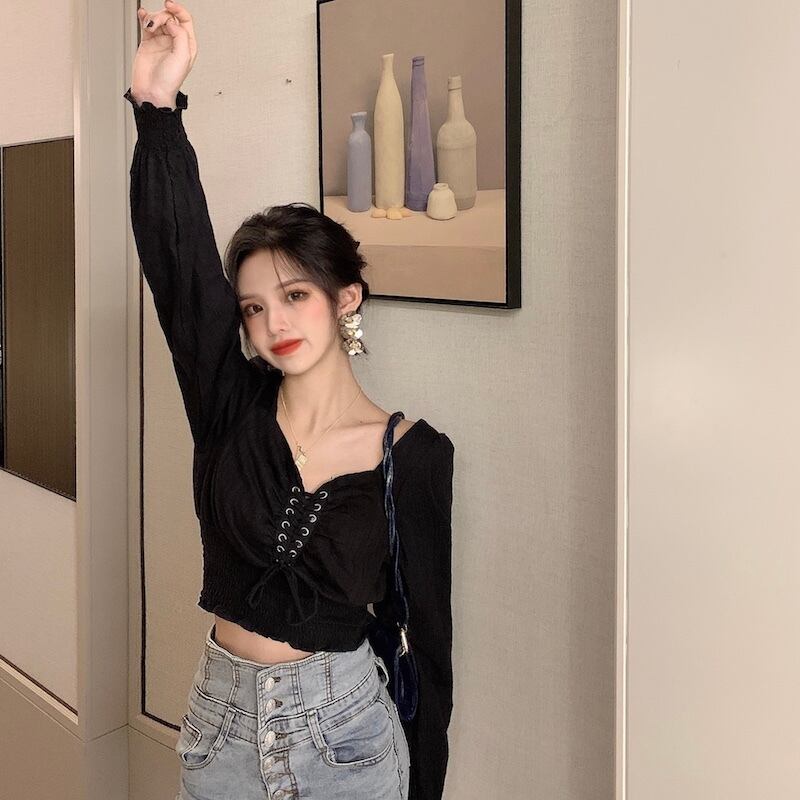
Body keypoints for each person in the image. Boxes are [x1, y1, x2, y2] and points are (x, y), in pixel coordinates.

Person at [124, 3, 455, 799]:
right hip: (221, 732)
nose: (274, 323)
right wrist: (157, 108)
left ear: (346, 299)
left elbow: (431, 644)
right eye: (253, 307)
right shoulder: (229, 407)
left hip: (349, 739)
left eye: (296, 295)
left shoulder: (414, 457)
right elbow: (178, 267)